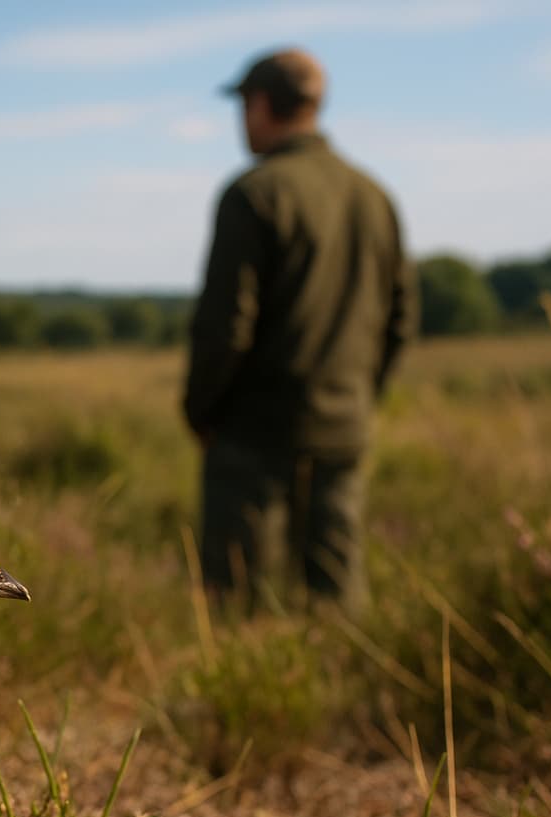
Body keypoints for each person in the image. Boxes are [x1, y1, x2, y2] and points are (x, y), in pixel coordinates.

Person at [184, 47, 416, 612]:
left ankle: (246, 701)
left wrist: (202, 411)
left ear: (261, 104)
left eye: (243, 106)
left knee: (240, 602)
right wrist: (361, 396)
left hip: (254, 433)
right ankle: (345, 695)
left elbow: (226, 326)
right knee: (338, 596)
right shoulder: (373, 194)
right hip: (344, 425)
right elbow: (401, 319)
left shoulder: (255, 192)